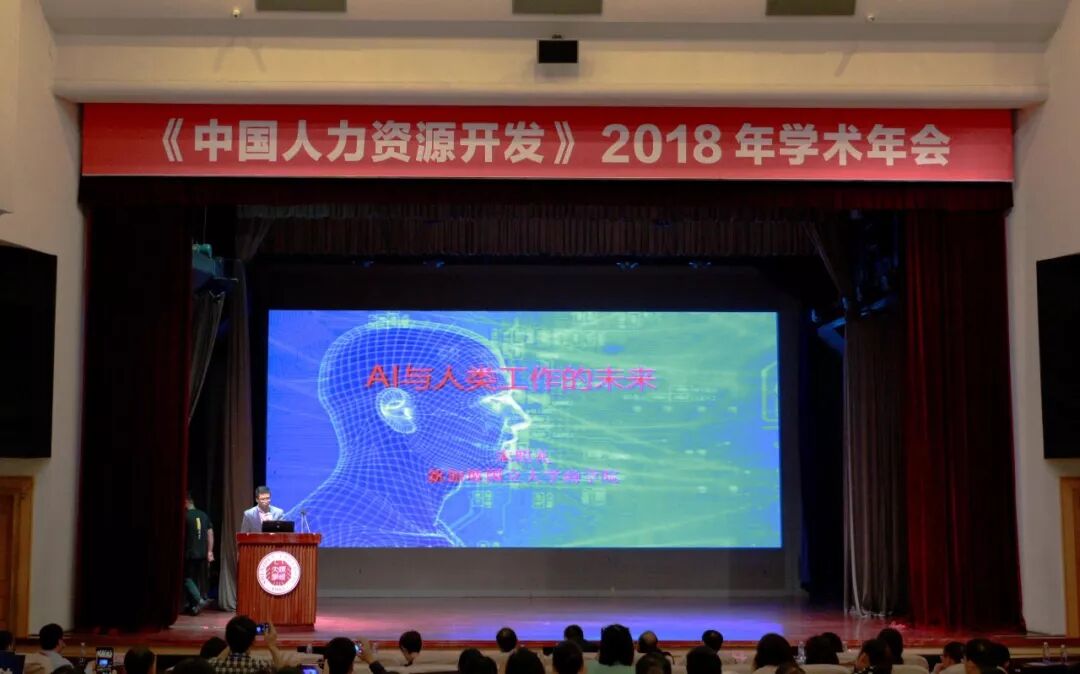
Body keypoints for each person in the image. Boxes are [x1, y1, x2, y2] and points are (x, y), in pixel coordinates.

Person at [283, 319, 531, 547]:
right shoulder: (356, 540)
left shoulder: (399, 529)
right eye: (493, 399)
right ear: (399, 411)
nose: (520, 419)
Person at [211, 616, 281, 674]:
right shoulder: (262, 666)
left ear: (226, 638)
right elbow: (281, 670)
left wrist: (234, 640)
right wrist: (272, 645)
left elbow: (216, 661)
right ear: (253, 641)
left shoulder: (212, 665)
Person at [184, 493, 215, 615]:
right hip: (202, 553)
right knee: (194, 578)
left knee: (186, 578)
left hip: (190, 552)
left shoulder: (185, 516)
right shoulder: (204, 515)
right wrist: (210, 551)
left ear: (186, 502)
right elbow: (210, 534)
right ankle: (193, 607)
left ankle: (199, 600)